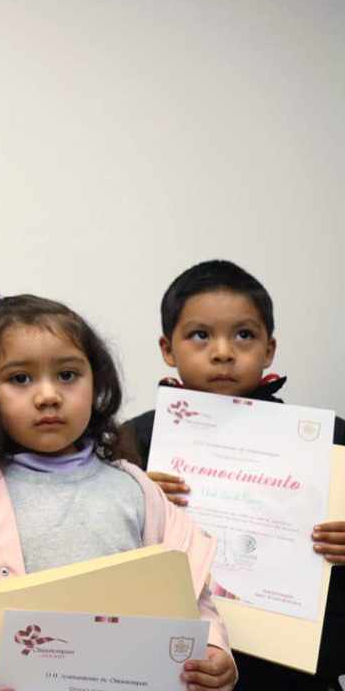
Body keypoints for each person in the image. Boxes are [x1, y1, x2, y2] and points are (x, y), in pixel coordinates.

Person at [0, 293, 237, 691]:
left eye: (67, 375)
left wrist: (213, 648)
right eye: (20, 378)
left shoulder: (135, 486)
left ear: (96, 383)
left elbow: (190, 589)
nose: (49, 395)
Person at [119, 260, 344, 690]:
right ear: (168, 349)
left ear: (269, 349)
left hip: (297, 668)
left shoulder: (330, 440)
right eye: (200, 335)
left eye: (244, 335)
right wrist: (135, 497)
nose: (223, 351)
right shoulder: (132, 442)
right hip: (179, 661)